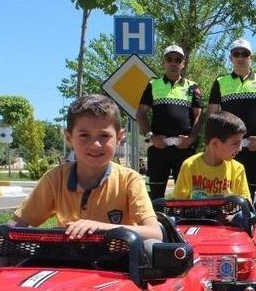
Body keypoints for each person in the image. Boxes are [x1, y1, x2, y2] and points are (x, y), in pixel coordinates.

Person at [10, 94, 162, 241]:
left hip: (118, 262)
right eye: (84, 135)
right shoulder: (55, 179)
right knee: (6, 246)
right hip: (70, 262)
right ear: (69, 138)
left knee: (150, 246)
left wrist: (100, 227)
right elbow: (14, 227)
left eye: (104, 136)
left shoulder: (129, 180)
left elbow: (154, 233)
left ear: (119, 138)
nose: (95, 144)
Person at [208, 38, 256, 197]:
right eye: (236, 54)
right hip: (228, 150)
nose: (240, 57)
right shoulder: (220, 82)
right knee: (228, 193)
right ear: (230, 58)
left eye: (244, 54)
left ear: (250, 57)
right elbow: (212, 115)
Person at [136, 45, 203, 200]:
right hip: (159, 148)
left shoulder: (192, 87)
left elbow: (199, 116)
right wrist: (151, 137)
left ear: (183, 64)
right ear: (164, 62)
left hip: (184, 148)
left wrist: (191, 139)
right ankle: (156, 222)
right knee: (155, 196)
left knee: (186, 195)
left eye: (178, 60)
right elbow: (141, 113)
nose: (173, 63)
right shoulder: (153, 85)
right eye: (169, 59)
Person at [171, 111, 250, 200]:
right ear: (215, 143)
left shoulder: (237, 169)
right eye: (235, 143)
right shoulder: (190, 166)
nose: (240, 148)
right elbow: (178, 202)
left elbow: (246, 205)